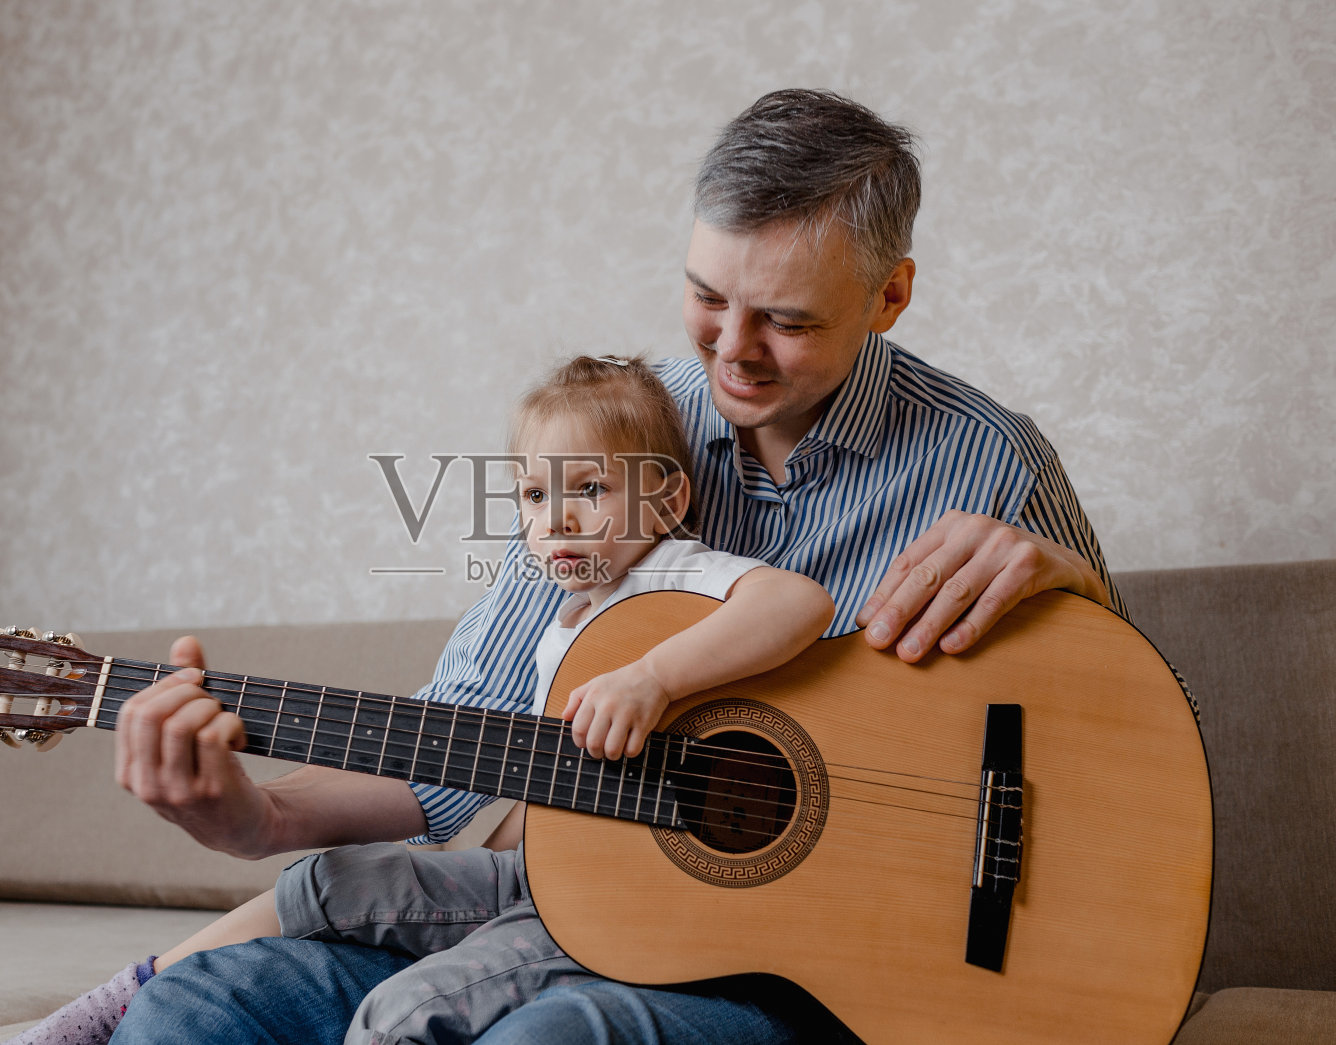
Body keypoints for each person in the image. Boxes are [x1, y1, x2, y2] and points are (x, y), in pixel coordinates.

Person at [107, 88, 1123, 1045]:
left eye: (789, 319)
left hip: (820, 964)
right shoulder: (614, 436)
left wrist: (1071, 588)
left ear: (888, 295)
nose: (734, 350)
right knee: (204, 1007)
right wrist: (259, 817)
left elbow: (1153, 751)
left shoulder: (991, 460)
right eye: (706, 296)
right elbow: (465, 740)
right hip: (565, 919)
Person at [4, 356, 833, 1045]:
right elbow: (470, 761)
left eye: (588, 489)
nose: (557, 522)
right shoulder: (565, 617)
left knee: (404, 1016)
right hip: (539, 871)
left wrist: (652, 678)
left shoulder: (679, 574)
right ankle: (139, 988)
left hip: (616, 905)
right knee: (334, 879)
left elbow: (796, 604)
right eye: (536, 499)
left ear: (668, 502)